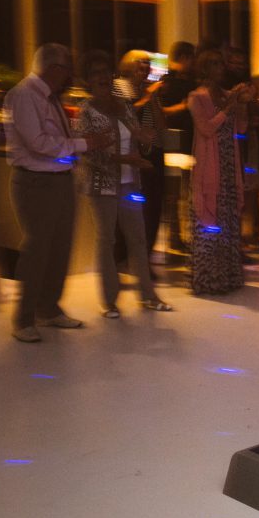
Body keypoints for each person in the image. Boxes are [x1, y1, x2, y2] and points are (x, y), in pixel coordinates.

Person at [3, 43, 112, 342]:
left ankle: (48, 309)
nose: (69, 76)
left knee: (60, 248)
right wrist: (85, 144)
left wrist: (79, 145)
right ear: (55, 69)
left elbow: (56, 139)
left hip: (60, 180)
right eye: (67, 69)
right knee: (37, 250)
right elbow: (38, 142)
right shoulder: (24, 95)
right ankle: (23, 319)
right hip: (36, 183)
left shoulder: (48, 97)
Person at [76, 51, 172, 316]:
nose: (102, 77)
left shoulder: (125, 105)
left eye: (105, 72)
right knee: (106, 240)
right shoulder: (86, 110)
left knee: (138, 239)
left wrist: (143, 140)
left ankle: (147, 295)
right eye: (95, 73)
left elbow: (140, 138)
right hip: (102, 185)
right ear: (87, 80)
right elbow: (89, 151)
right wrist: (124, 157)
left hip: (130, 183)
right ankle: (109, 302)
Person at [188, 49, 252, 294]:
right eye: (213, 63)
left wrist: (243, 104)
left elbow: (242, 127)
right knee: (209, 220)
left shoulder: (227, 95)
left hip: (228, 164)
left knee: (228, 222)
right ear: (204, 69)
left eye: (220, 63)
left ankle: (228, 275)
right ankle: (208, 279)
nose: (220, 68)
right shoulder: (196, 97)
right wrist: (229, 107)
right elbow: (206, 128)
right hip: (209, 167)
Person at [113, 49, 166, 262]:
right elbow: (122, 118)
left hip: (152, 155)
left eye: (147, 64)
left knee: (153, 209)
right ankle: (124, 257)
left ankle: (144, 257)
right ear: (127, 65)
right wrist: (146, 98)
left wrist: (152, 99)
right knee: (130, 209)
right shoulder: (118, 87)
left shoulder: (148, 90)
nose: (144, 67)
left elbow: (162, 126)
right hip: (130, 157)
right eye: (140, 63)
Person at [158, 40, 196, 252]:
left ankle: (182, 236)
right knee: (173, 193)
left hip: (188, 141)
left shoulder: (190, 82)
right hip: (173, 142)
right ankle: (174, 237)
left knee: (185, 193)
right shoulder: (167, 82)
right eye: (191, 58)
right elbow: (160, 112)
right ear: (183, 58)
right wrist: (183, 106)